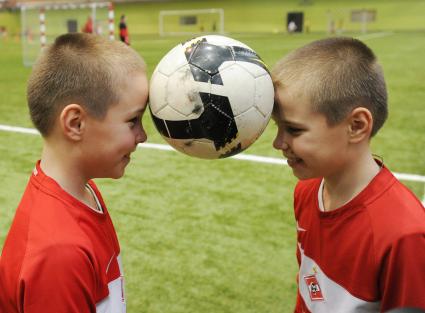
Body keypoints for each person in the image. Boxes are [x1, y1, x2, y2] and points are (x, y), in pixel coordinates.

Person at [271, 37, 425, 312]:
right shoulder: (306, 192)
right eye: (277, 127)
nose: (278, 142)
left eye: (294, 130)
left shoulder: (404, 236)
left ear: (356, 125)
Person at [0, 33, 148, 312]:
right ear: (76, 123)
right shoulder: (59, 253)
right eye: (133, 121)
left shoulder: (84, 191)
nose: (143, 136)